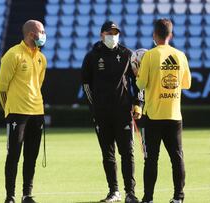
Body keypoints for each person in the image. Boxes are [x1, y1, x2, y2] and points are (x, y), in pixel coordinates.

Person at [81, 21, 143, 203]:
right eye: (110, 32)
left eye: (116, 32)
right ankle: (114, 192)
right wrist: (94, 108)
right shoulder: (92, 56)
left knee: (127, 152)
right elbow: (86, 85)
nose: (113, 35)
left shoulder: (126, 54)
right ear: (102, 34)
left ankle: (130, 193)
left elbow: (137, 82)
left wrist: (138, 103)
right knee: (108, 154)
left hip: (123, 113)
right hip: (101, 115)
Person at [136, 18, 191, 203]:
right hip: (174, 115)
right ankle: (178, 198)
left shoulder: (150, 56)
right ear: (170, 35)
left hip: (152, 116)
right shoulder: (180, 55)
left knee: (151, 160)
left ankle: (148, 199)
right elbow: (186, 84)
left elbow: (141, 84)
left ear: (154, 35)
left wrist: (138, 73)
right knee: (177, 158)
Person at [0, 19, 47, 203]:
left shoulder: (42, 58)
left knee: (31, 156)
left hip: (37, 113)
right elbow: (2, 87)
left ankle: (27, 195)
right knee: (13, 155)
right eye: (42, 31)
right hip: (17, 113)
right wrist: (9, 110)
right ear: (32, 34)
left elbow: (38, 85)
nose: (44, 35)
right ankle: (10, 196)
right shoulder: (13, 55)